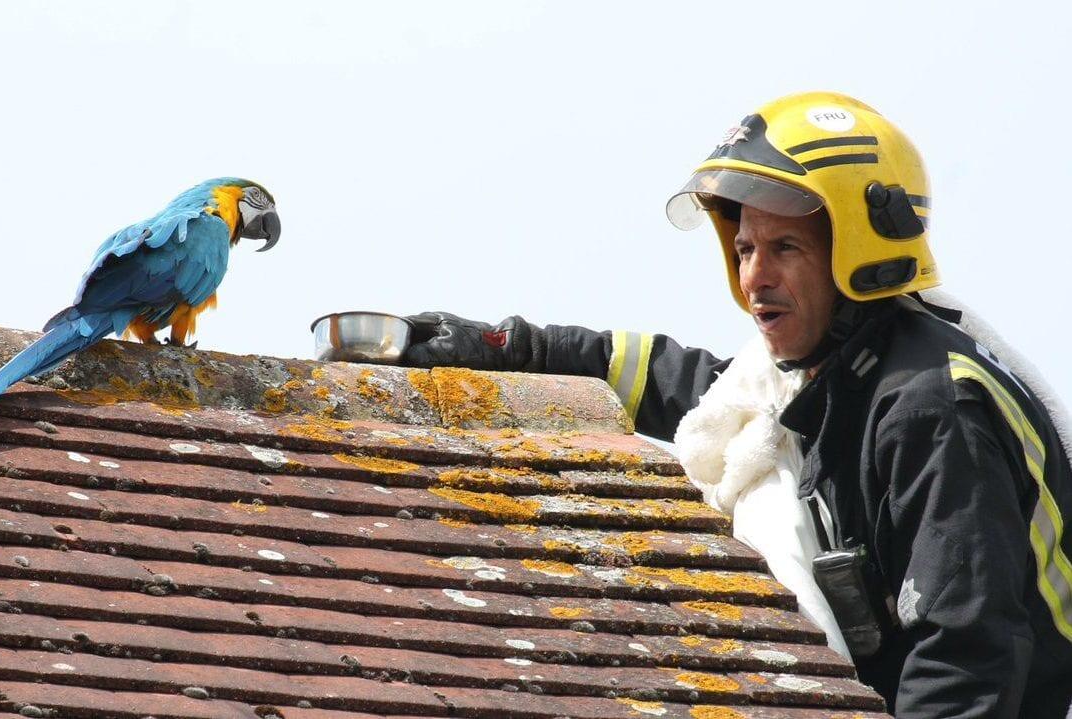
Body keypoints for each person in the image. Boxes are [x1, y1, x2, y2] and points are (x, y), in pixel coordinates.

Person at [402, 91, 1072, 717]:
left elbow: (967, 653)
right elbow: (679, 383)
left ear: (858, 253)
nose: (754, 276)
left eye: (784, 247)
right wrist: (510, 347)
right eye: (745, 248)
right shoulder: (812, 383)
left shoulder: (930, 409)